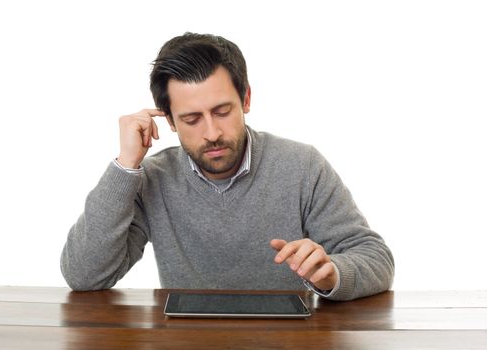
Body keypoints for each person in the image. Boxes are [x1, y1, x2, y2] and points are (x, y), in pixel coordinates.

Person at [60, 32, 394, 301]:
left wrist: (333, 272)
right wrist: (125, 165)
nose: (212, 133)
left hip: (285, 341)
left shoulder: (302, 166)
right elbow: (84, 275)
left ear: (246, 99)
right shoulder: (152, 179)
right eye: (191, 119)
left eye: (222, 111)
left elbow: (375, 258)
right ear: (171, 122)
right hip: (187, 341)